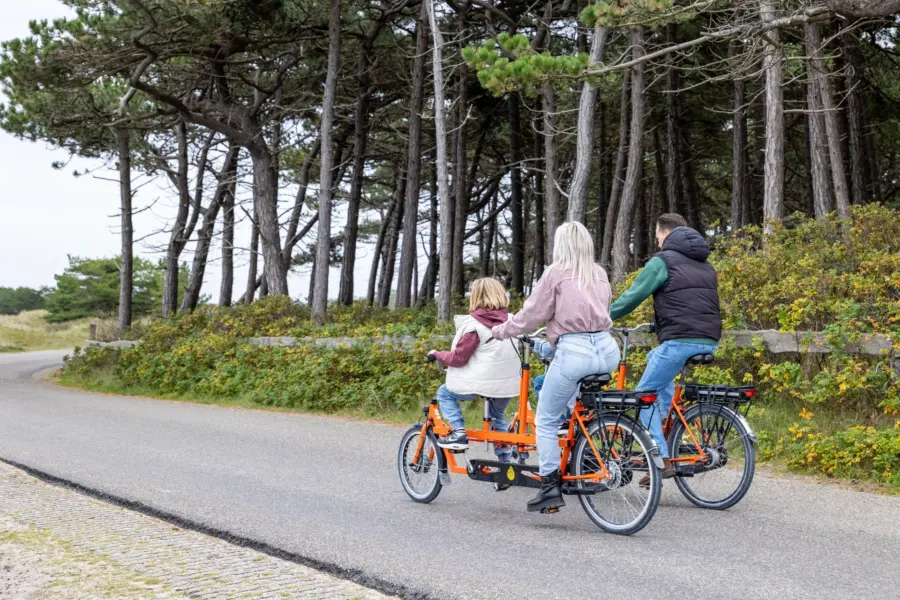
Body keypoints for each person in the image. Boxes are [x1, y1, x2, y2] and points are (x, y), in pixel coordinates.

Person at [492, 222, 619, 513]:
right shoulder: (598, 273)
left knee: (546, 420)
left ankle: (549, 487)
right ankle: (585, 457)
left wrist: (502, 330)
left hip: (575, 352)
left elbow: (531, 316)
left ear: (561, 244)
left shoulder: (556, 273)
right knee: (578, 407)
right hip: (607, 349)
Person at [608, 213, 722, 485]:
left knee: (643, 395)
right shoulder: (705, 264)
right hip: (708, 339)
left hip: (679, 339)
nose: (657, 241)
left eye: (658, 236)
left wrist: (602, 316)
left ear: (665, 234)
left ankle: (659, 458)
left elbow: (632, 297)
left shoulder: (662, 261)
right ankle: (663, 422)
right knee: (655, 360)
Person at [428, 278, 521, 474]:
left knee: (445, 393)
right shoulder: (512, 321)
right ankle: (505, 465)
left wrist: (437, 354)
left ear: (476, 297)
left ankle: (459, 432)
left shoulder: (474, 326)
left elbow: (458, 358)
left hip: (480, 384)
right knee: (498, 418)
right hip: (506, 384)